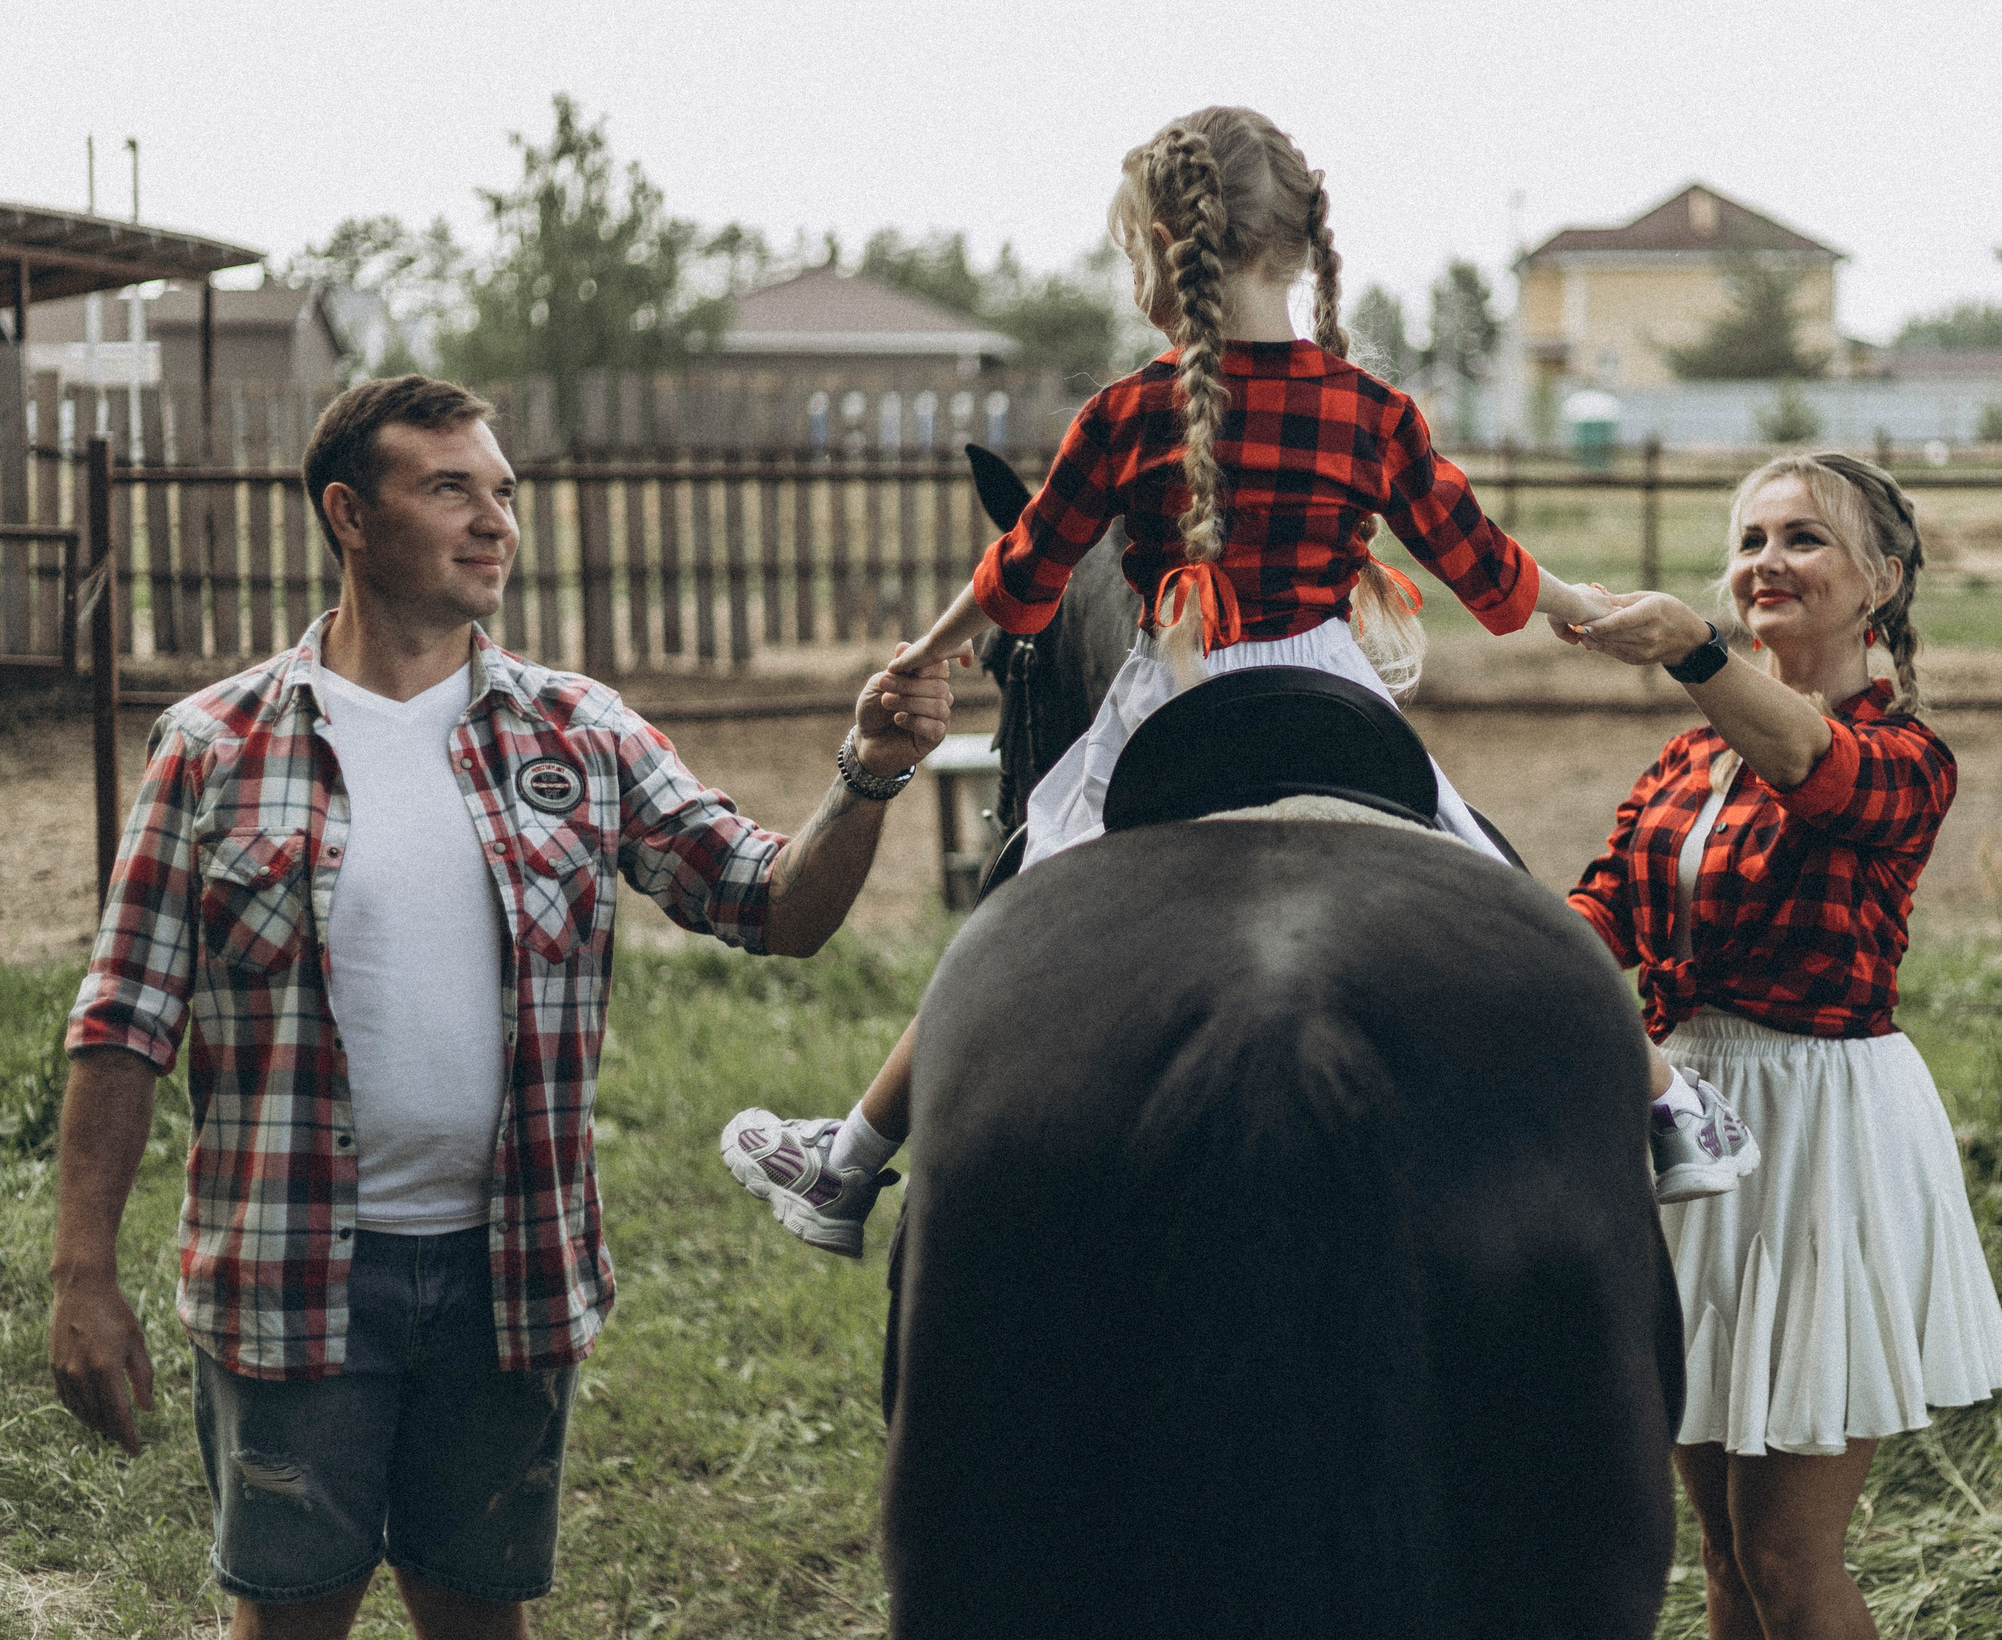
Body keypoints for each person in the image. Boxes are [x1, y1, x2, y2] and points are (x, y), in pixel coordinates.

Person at [717, 105, 1737, 1256]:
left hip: (1173, 694)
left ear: (1163, 248)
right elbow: (1485, 568)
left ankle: (847, 1163)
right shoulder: (1372, 410)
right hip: (1332, 692)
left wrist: (927, 648)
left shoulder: (1122, 413)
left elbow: (1026, 575)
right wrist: (1585, 606)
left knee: (1014, 920)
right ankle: (1671, 1111)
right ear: (1299, 249)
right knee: (1495, 885)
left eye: (1129, 256)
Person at [50, 376, 952, 1640]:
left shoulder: (579, 732)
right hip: (291, 1274)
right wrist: (82, 1273)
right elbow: (124, 1019)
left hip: (510, 1272)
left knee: (481, 1621)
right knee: (286, 1621)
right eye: (450, 490)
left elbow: (772, 906)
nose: (496, 523)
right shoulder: (214, 745)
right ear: (349, 515)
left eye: (504, 493)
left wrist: (868, 774)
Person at [1562, 452, 2002, 1639]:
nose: (1768, 560)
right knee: (1720, 1549)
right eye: (1752, 539)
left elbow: (1816, 769)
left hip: (1822, 1136)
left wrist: (1694, 649)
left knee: (1785, 1553)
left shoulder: (1906, 757)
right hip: (1683, 1125)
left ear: (1881, 580)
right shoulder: (1685, 759)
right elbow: (1598, 914)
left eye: (1803, 538)